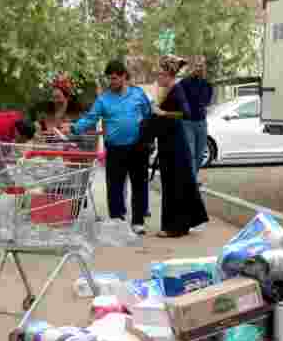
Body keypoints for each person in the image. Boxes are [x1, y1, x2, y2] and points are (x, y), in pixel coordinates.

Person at [65, 59, 152, 235]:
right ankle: (117, 221)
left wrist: (149, 138)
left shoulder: (137, 94)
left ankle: (138, 221)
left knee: (139, 184)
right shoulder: (103, 100)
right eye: (109, 79)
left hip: (138, 147)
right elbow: (91, 118)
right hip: (115, 148)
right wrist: (74, 127)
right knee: (114, 186)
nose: (112, 82)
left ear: (123, 76)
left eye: (114, 78)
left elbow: (148, 114)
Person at [140, 55, 209, 238]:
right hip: (169, 143)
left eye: (161, 74)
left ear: (169, 75)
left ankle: (174, 228)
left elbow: (185, 114)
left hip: (175, 145)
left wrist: (162, 113)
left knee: (174, 185)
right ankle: (181, 225)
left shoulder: (176, 90)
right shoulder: (167, 91)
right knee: (176, 184)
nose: (158, 78)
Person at [178, 55, 214, 180]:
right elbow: (179, 98)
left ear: (205, 67)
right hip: (187, 123)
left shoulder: (207, 84)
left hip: (201, 122)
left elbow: (207, 102)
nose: (199, 68)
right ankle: (191, 182)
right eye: (197, 65)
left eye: (201, 65)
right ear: (192, 67)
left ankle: (191, 177)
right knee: (191, 154)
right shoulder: (184, 83)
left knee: (199, 155)